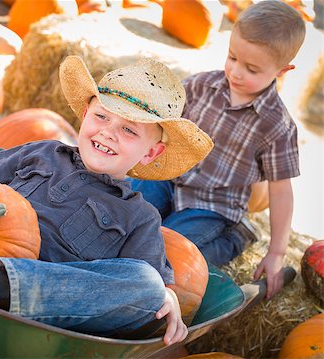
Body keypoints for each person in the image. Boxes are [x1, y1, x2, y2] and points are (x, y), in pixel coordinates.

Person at [0, 55, 213, 345]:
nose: (109, 131)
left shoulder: (140, 216)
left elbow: (146, 287)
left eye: (130, 130)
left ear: (152, 152)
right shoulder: (43, 153)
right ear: (84, 113)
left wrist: (166, 295)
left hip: (16, 303)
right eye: (102, 116)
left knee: (147, 286)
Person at [129, 0, 305, 300]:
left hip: (212, 205)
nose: (235, 72)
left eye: (251, 68)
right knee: (123, 212)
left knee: (168, 253)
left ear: (282, 70)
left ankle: (236, 235)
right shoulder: (201, 85)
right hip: (170, 179)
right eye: (232, 57)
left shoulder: (277, 126)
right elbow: (162, 120)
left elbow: (280, 191)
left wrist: (277, 252)